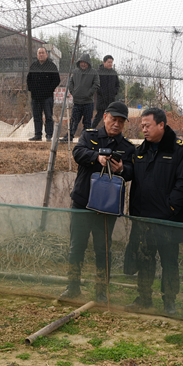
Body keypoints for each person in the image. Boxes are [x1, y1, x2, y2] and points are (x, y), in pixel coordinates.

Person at [60, 101, 135, 302]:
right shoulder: (89, 136)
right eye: (113, 119)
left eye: (121, 121)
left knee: (103, 250)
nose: (116, 124)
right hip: (82, 202)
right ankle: (73, 287)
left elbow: (132, 172)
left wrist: (122, 170)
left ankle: (102, 292)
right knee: (76, 247)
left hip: (107, 207)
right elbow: (77, 153)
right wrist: (97, 158)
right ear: (105, 117)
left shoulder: (127, 147)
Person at [125, 108, 183, 315]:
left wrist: (169, 208)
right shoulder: (140, 151)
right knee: (144, 260)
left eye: (147, 125)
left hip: (168, 221)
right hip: (144, 220)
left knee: (169, 263)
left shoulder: (181, 150)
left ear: (161, 125)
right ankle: (144, 298)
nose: (143, 129)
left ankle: (169, 302)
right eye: (142, 126)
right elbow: (137, 183)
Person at [59, 53, 99, 142]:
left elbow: (96, 84)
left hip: (88, 103)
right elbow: (70, 82)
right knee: (73, 121)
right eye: (81, 62)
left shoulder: (93, 72)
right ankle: (69, 137)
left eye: (85, 62)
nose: (83, 64)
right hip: (77, 102)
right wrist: (73, 92)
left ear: (88, 63)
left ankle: (86, 140)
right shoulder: (76, 71)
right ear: (79, 63)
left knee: (87, 123)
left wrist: (89, 93)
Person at [26, 47, 60, 141]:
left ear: (46, 54)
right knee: (37, 116)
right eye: (39, 53)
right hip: (35, 97)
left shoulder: (51, 66)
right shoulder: (34, 66)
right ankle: (38, 135)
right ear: (37, 55)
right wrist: (32, 89)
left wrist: (49, 90)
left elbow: (56, 80)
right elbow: (29, 79)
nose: (41, 54)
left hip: (47, 97)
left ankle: (49, 135)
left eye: (42, 53)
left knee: (48, 116)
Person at [93, 55, 119, 129]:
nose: (110, 64)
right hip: (101, 99)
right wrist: (100, 92)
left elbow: (117, 84)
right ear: (104, 62)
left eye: (111, 62)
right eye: (109, 62)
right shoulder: (98, 72)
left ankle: (107, 132)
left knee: (110, 118)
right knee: (99, 116)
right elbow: (96, 84)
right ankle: (90, 130)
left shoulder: (114, 73)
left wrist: (115, 92)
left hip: (111, 100)